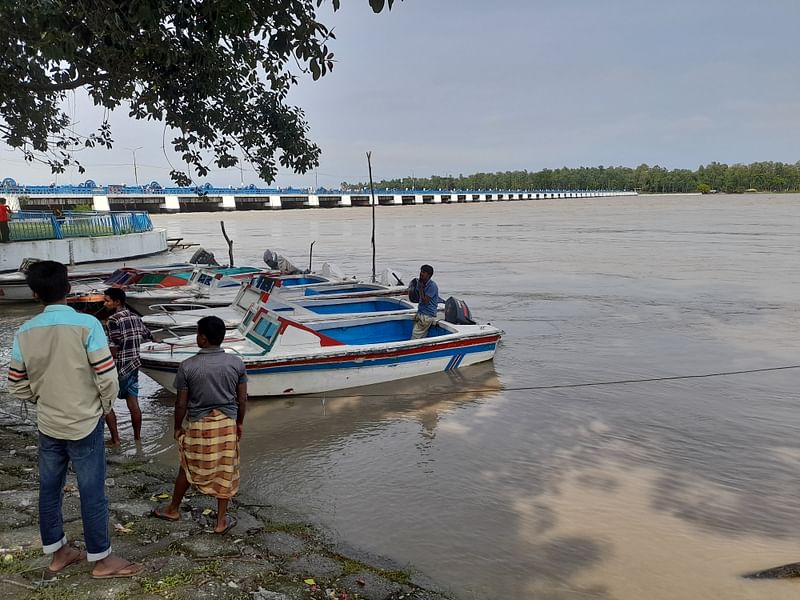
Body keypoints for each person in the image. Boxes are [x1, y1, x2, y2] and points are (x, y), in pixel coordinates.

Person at [6, 261, 143, 579]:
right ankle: (102, 560)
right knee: (92, 490)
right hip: (85, 422)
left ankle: (57, 553)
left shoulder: (24, 333)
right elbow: (107, 377)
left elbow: (16, 383)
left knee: (49, 489)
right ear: (68, 289)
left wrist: (41, 397)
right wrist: (101, 406)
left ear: (34, 294)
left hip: (48, 422)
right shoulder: (88, 326)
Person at [151, 316, 247, 534]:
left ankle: (173, 509)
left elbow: (181, 403)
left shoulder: (187, 366)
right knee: (226, 471)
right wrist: (239, 423)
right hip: (227, 424)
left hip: (199, 425)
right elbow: (242, 399)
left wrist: (177, 427)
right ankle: (221, 521)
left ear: (202, 339)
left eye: (197, 334)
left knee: (187, 465)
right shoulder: (236, 363)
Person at [102, 287, 152, 448]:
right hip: (134, 365)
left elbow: (114, 346)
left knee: (107, 403)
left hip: (117, 367)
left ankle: (115, 439)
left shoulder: (113, 321)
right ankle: (137, 439)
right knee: (133, 403)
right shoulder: (136, 317)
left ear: (117, 302)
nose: (105, 303)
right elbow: (147, 334)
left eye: (107, 300)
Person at [408, 264, 441, 339]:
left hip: (427, 315)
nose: (421, 273)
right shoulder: (421, 283)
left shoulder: (432, 286)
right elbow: (416, 296)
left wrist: (420, 288)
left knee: (415, 335)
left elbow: (425, 300)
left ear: (429, 275)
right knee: (419, 334)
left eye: (423, 272)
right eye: (421, 271)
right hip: (421, 312)